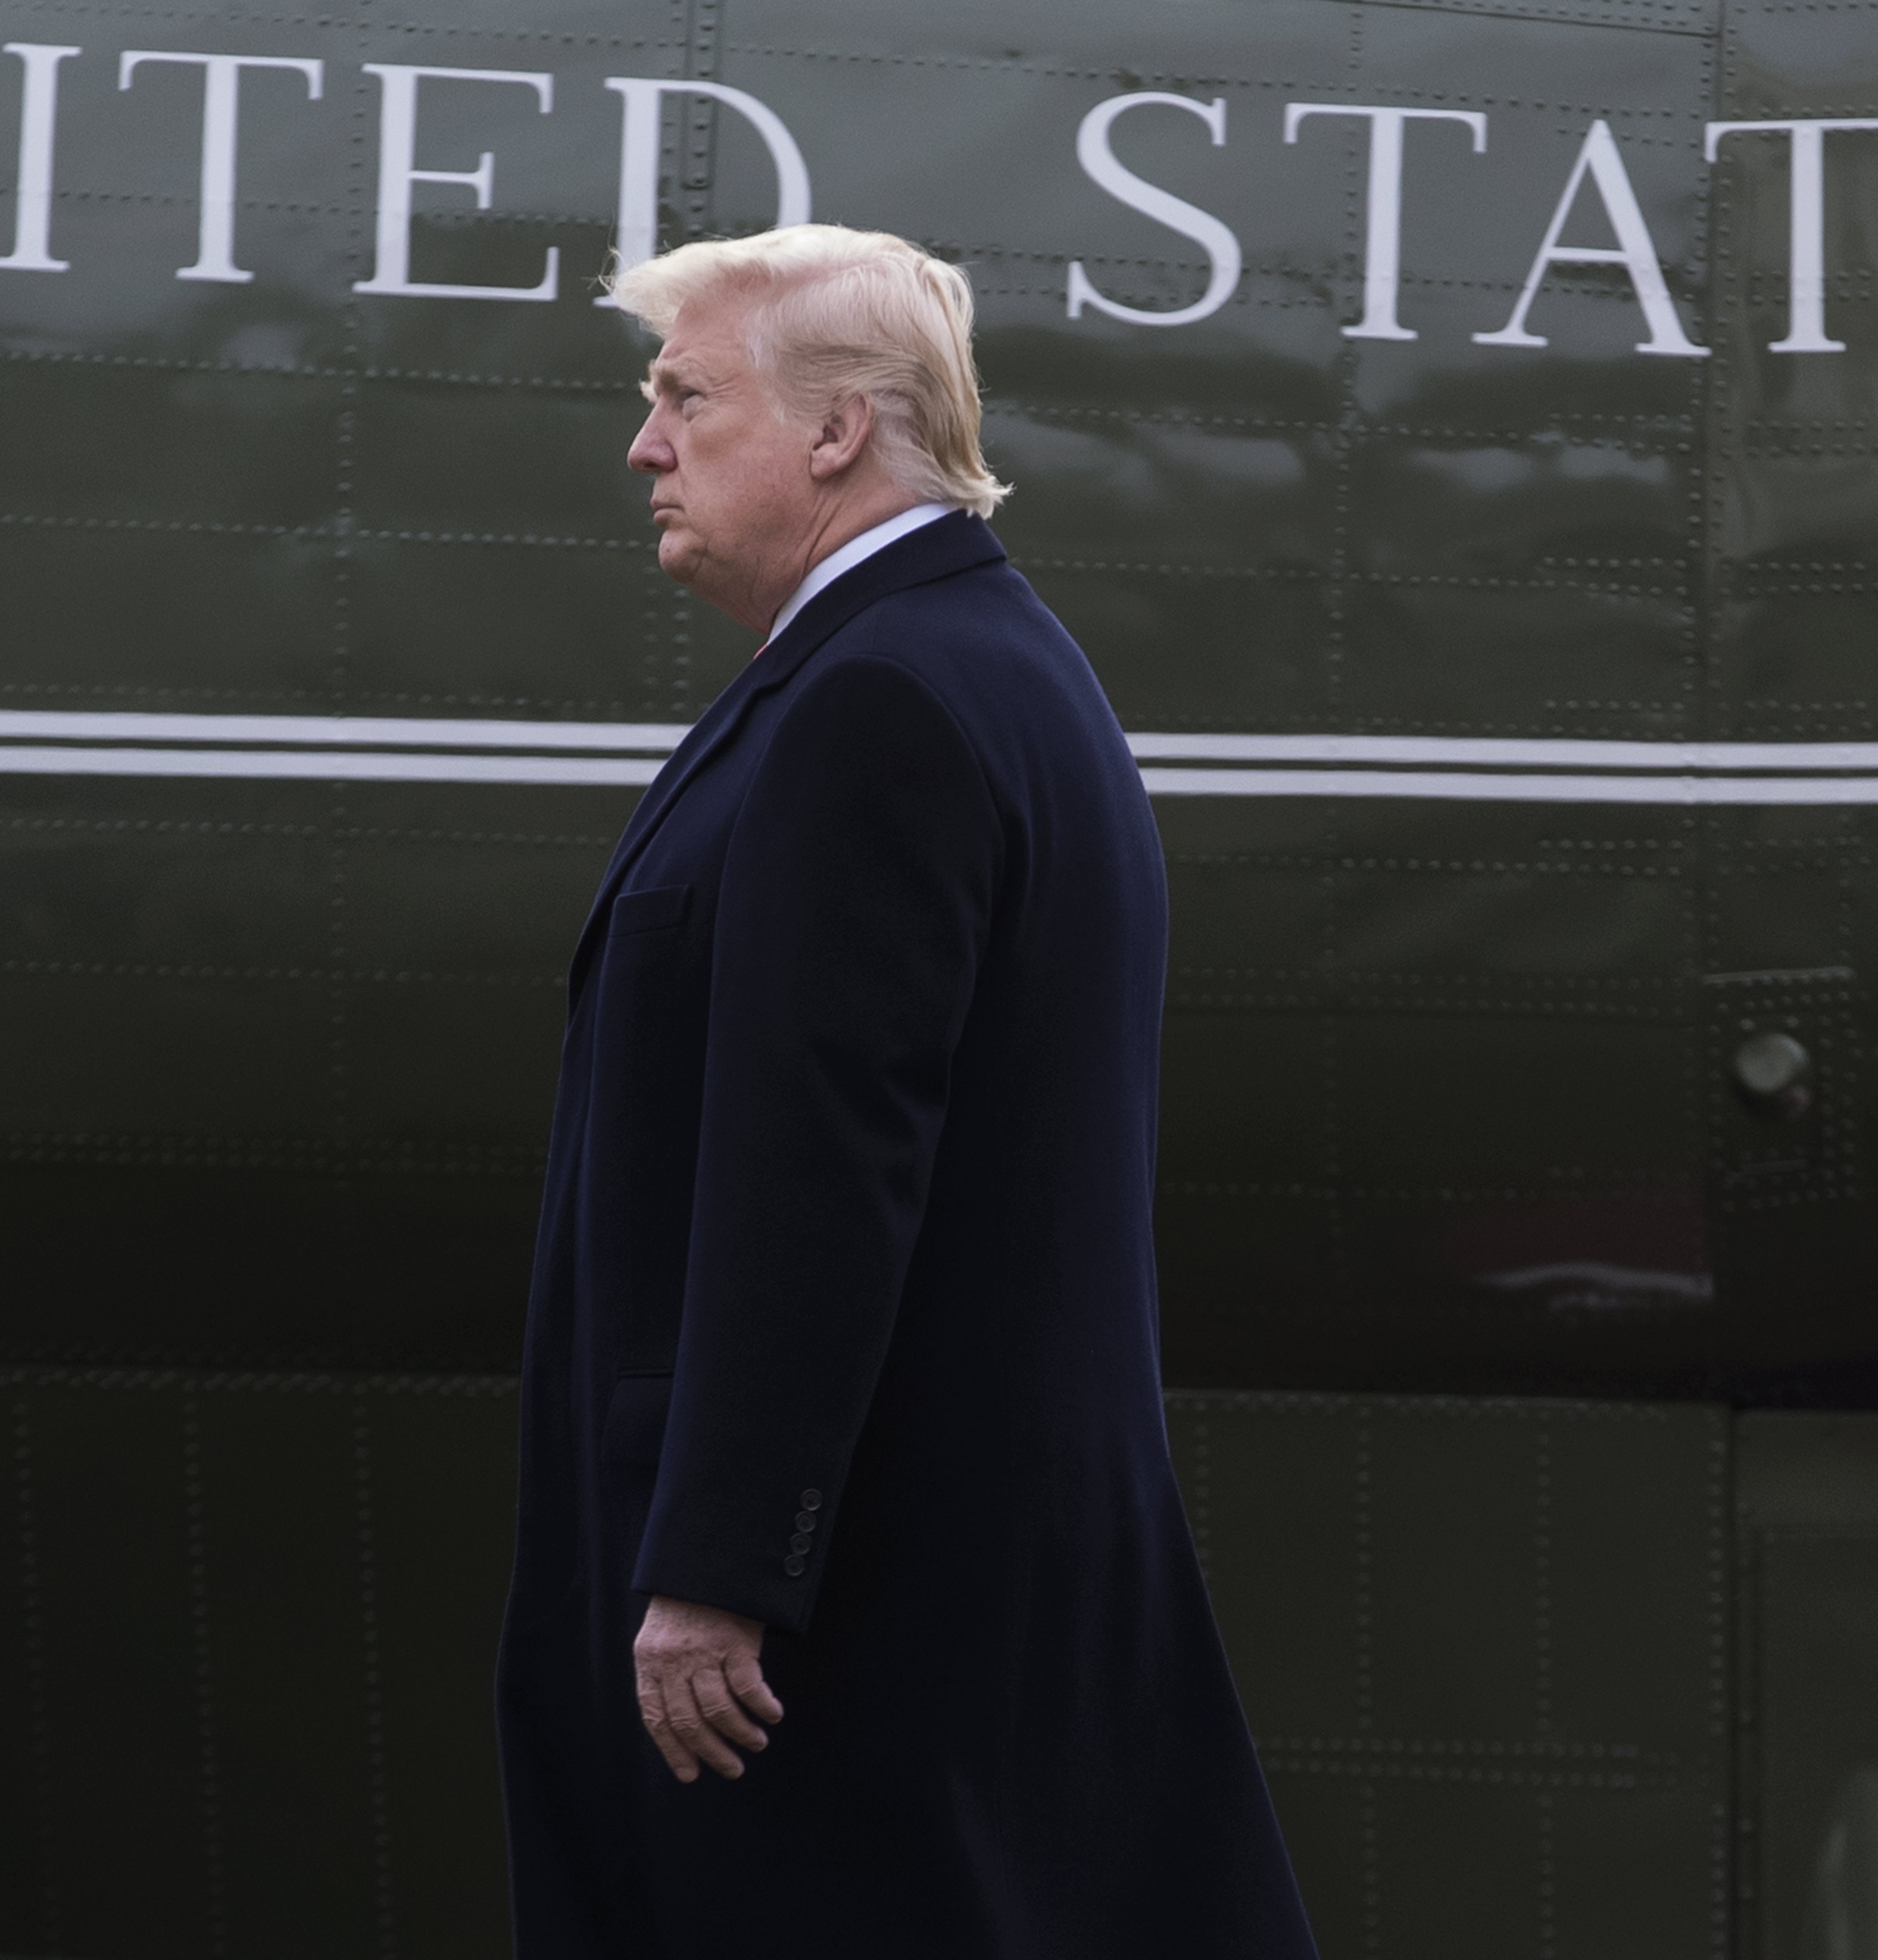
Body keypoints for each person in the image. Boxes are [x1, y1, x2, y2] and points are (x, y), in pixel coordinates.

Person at [494, 223, 1318, 1959]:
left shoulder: (878, 697)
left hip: (837, 1637)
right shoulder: (976, 666)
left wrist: (722, 1561)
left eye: (683, 395)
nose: (644, 444)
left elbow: (826, 1162)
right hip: (924, 1596)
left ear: (837, 430)